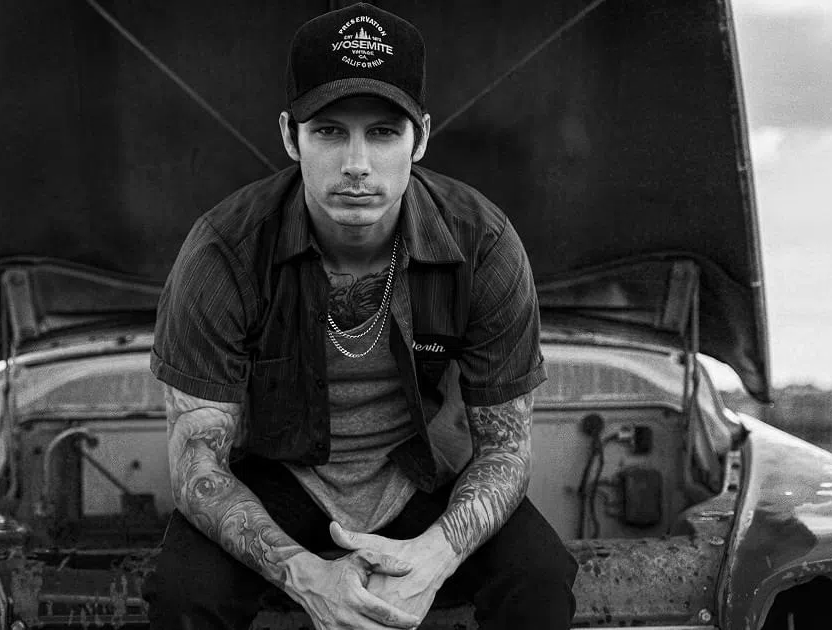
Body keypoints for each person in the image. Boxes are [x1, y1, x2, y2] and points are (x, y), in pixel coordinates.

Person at [143, 3, 577, 628]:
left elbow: (506, 449)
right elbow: (197, 466)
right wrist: (307, 575)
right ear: (290, 136)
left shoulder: (480, 242)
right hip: (277, 482)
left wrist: (435, 557)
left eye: (382, 132)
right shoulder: (225, 252)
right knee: (183, 594)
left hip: (423, 479)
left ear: (420, 138)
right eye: (328, 132)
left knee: (539, 576)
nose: (356, 163)